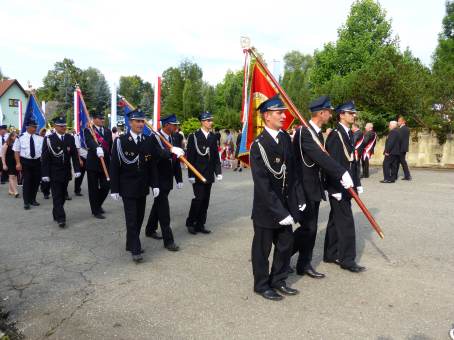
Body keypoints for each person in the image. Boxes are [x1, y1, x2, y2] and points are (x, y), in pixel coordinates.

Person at [250, 94, 306, 301]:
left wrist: (299, 198)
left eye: (283, 112)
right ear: (266, 116)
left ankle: (278, 279)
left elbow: (293, 172)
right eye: (278, 113)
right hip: (267, 209)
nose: (283, 116)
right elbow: (262, 184)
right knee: (262, 250)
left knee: (285, 245)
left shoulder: (284, 138)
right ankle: (261, 285)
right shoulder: (258, 145)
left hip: (285, 206)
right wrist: (279, 211)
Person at [292, 96, 347, 278]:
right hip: (303, 189)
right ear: (321, 113)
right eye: (329, 111)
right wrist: (341, 172)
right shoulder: (305, 133)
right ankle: (283, 256)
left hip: (314, 188)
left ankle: (303, 264)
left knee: (311, 228)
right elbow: (320, 158)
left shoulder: (317, 133)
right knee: (308, 228)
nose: (331, 114)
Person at [109, 109, 161, 263]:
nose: (140, 124)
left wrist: (155, 185)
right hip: (127, 187)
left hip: (142, 186)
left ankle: (130, 243)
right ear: (130, 122)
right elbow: (114, 166)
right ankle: (136, 249)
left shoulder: (148, 140)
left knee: (139, 218)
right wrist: (114, 188)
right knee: (131, 219)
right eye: (137, 121)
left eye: (142, 121)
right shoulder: (121, 141)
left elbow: (152, 165)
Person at [323, 101, 365, 273]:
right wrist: (333, 189)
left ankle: (330, 253)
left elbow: (351, 162)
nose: (353, 115)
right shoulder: (335, 135)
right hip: (339, 188)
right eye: (350, 113)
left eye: (354, 113)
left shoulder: (348, 134)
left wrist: (358, 183)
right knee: (346, 223)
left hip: (348, 186)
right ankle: (347, 260)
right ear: (341, 114)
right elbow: (330, 164)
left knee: (335, 221)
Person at [145, 114, 183, 252]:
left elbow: (176, 160)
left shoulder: (174, 137)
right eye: (174, 125)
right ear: (166, 125)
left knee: (158, 205)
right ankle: (169, 241)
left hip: (168, 179)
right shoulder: (154, 138)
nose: (176, 127)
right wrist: (171, 151)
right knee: (164, 210)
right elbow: (158, 155)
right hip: (157, 179)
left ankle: (150, 229)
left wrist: (179, 179)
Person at [185, 112, 222, 235]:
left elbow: (216, 157)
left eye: (211, 120)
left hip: (209, 173)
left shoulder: (213, 137)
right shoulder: (194, 136)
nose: (210, 122)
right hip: (197, 173)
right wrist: (190, 175)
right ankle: (191, 222)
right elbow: (190, 157)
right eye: (208, 120)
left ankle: (200, 224)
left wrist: (218, 172)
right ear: (202, 122)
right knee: (199, 199)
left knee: (205, 200)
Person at [41, 117, 81, 228]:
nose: (64, 128)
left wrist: (77, 169)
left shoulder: (70, 138)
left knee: (63, 196)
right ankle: (61, 218)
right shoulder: (49, 139)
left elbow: (74, 155)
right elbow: (45, 158)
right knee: (57, 195)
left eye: (64, 126)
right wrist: (45, 174)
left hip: (66, 171)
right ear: (55, 127)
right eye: (61, 126)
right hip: (54, 171)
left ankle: (56, 212)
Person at [84, 112, 112, 219]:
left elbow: (110, 146)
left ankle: (98, 204)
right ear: (94, 119)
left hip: (105, 163)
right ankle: (95, 210)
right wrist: (96, 147)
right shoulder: (89, 130)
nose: (102, 120)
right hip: (93, 164)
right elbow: (89, 141)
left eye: (103, 119)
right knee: (93, 188)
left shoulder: (108, 131)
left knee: (106, 186)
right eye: (99, 118)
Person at [13, 118, 44, 210]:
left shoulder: (40, 138)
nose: (35, 129)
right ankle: (26, 202)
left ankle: (32, 199)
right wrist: (18, 163)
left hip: (37, 162)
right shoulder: (20, 137)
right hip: (26, 162)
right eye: (33, 127)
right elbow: (16, 151)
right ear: (27, 127)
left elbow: (43, 151)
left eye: (35, 127)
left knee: (36, 181)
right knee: (27, 181)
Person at [1, 131, 20, 197]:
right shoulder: (6, 144)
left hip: (15, 162)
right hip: (9, 162)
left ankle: (10, 190)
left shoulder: (16, 143)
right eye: (15, 136)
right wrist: (4, 164)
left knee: (14, 176)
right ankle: (15, 192)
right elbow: (3, 155)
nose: (17, 137)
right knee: (11, 176)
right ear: (11, 137)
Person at [397, 116, 412, 180]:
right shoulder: (406, 128)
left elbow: (399, 139)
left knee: (402, 161)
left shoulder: (402, 129)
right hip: (403, 147)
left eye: (399, 121)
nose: (398, 122)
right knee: (402, 161)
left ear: (403, 121)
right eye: (398, 121)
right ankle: (407, 175)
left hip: (401, 148)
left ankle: (407, 175)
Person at [38, 128, 51, 199]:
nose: (44, 134)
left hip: (48, 160)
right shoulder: (38, 139)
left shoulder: (49, 139)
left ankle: (46, 191)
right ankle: (45, 191)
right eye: (43, 132)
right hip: (40, 159)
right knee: (43, 176)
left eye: (45, 132)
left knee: (48, 176)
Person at [74, 132, 87, 196]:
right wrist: (79, 159)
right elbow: (77, 148)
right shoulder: (78, 135)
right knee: (80, 175)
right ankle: (77, 189)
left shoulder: (91, 133)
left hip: (90, 157)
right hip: (81, 157)